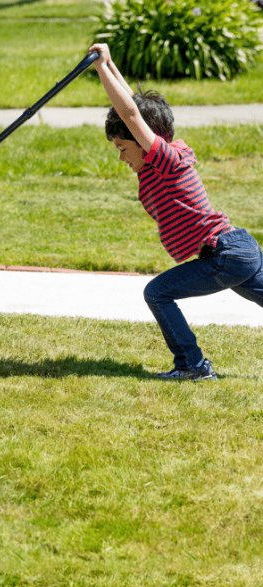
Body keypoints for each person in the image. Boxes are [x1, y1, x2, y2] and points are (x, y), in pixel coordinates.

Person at [88, 43, 263, 381]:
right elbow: (134, 110)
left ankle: (192, 365)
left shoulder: (166, 161)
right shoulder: (161, 163)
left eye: (123, 148)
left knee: (157, 292)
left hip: (224, 255)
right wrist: (109, 63)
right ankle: (191, 365)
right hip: (240, 250)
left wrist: (98, 70)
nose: (121, 158)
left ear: (145, 142)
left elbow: (131, 115)